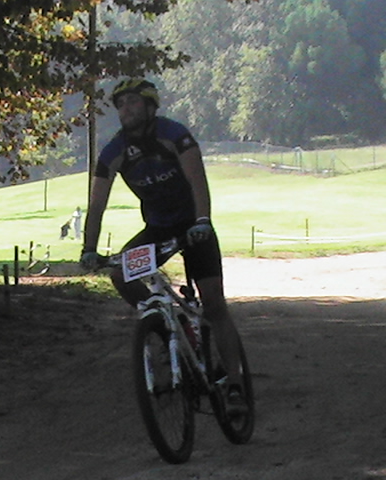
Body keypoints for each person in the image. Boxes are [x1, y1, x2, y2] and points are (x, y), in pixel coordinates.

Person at [79, 78, 247, 414]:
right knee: (119, 274)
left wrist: (202, 221)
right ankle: (165, 321)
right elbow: (96, 205)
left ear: (150, 106)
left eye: (133, 102)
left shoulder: (173, 135)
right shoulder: (114, 151)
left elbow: (197, 181)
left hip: (192, 226)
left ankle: (235, 382)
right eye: (121, 104)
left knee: (214, 304)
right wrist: (89, 248)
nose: (126, 109)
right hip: (157, 229)